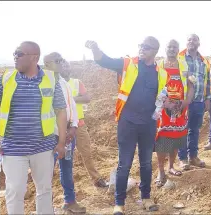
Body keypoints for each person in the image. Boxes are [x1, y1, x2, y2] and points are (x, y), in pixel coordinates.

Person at [85, 37, 163, 214]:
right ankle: (119, 203)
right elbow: (104, 61)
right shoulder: (128, 64)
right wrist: (96, 49)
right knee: (124, 163)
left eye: (147, 47)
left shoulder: (161, 72)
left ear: (155, 51)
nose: (142, 49)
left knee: (146, 163)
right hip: (127, 122)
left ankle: (146, 198)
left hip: (148, 124)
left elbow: (161, 96)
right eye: (140, 46)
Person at [0, 41, 67, 214]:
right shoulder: (6, 79)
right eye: (14, 53)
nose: (15, 56)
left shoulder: (51, 80)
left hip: (43, 147)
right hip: (13, 148)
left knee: (44, 190)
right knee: (14, 192)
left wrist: (61, 142)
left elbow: (60, 111)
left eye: (19, 53)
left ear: (34, 57)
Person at [43, 52, 86, 213]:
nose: (61, 63)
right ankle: (46, 207)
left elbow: (72, 108)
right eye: (57, 61)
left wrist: (73, 127)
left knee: (67, 169)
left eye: (61, 60)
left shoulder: (64, 83)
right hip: (49, 136)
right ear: (46, 64)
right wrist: (60, 132)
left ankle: (70, 201)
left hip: (68, 135)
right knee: (46, 173)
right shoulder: (43, 83)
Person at [60, 59, 108, 188]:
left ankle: (96, 179)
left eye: (66, 65)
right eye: (61, 65)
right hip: (60, 126)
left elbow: (87, 98)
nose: (64, 67)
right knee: (60, 156)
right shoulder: (55, 84)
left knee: (86, 152)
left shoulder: (76, 83)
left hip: (79, 124)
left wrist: (70, 99)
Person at [154, 40, 194, 187]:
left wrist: (187, 101)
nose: (172, 49)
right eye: (169, 46)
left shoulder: (184, 65)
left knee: (177, 137)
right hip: (163, 107)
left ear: (178, 49)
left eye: (174, 47)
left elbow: (191, 84)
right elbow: (153, 86)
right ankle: (161, 171)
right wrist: (164, 103)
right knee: (163, 138)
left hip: (180, 108)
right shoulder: (158, 65)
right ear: (165, 49)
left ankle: (171, 166)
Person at [177, 34, 211, 170]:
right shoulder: (180, 59)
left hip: (199, 101)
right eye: (189, 39)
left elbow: (207, 81)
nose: (191, 42)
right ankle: (183, 158)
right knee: (182, 130)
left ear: (199, 43)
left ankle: (193, 156)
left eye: (194, 40)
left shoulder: (203, 62)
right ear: (186, 42)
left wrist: (207, 98)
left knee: (195, 130)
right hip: (184, 102)